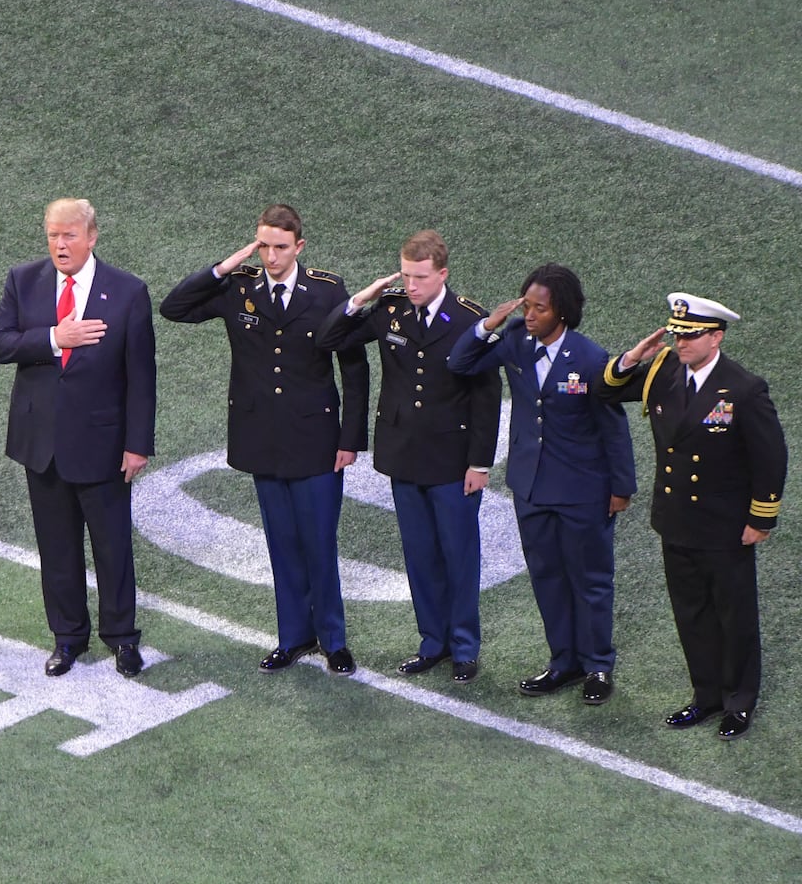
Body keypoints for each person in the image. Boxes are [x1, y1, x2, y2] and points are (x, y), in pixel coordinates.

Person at [160, 204, 368, 675]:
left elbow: (353, 367)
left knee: (319, 542)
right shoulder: (238, 287)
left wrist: (350, 438)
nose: (270, 256)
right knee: (281, 543)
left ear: (299, 247)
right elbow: (174, 308)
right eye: (263, 246)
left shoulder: (326, 291)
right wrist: (223, 267)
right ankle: (293, 637)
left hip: (316, 438)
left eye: (279, 247)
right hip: (262, 438)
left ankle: (334, 640)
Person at [596, 293, 786, 739]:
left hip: (725, 526)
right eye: (677, 334)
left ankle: (738, 701)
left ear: (716, 337)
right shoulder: (662, 370)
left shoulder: (743, 388)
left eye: (691, 335)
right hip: (676, 520)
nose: (680, 342)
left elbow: (771, 457)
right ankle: (706, 696)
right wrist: (631, 358)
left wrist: (761, 519)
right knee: (692, 613)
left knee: (733, 615)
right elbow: (605, 391)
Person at [0, 198, 156, 678]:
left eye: (70, 235)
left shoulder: (126, 292)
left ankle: (122, 639)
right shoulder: (24, 281)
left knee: (112, 548)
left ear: (92, 236)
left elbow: (141, 377)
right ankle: (67, 638)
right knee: (57, 549)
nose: (60, 244)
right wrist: (56, 338)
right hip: (42, 445)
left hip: (103, 445)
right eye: (53, 235)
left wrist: (137, 444)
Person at [447, 263, 636, 703]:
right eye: (526, 305)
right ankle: (564, 661)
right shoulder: (514, 340)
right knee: (547, 576)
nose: (529, 315)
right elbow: (460, 363)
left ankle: (598, 667)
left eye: (540, 309)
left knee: (590, 579)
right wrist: (490, 324)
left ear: (563, 313)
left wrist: (621, 488)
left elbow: (613, 427)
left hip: (583, 491)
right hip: (530, 487)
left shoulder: (590, 359)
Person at [317, 229, 500, 682]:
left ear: (443, 273)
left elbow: (487, 397)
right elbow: (329, 338)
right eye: (405, 275)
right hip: (404, 454)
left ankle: (463, 647)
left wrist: (480, 463)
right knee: (418, 554)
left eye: (420, 277)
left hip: (453, 460)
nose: (411, 285)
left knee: (458, 554)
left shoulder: (467, 321)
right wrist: (362, 298)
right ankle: (432, 642)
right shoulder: (390, 309)